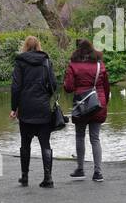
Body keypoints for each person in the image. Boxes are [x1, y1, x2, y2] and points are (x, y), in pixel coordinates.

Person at [10, 35, 58, 188]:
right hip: (43, 108)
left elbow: (16, 87)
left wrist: (14, 108)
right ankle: (48, 178)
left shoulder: (20, 62)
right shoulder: (46, 61)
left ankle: (24, 177)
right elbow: (54, 85)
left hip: (26, 109)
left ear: (25, 46)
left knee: (25, 144)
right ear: (38, 46)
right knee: (45, 144)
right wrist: (46, 96)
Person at [63, 39, 110, 182]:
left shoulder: (73, 65)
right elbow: (106, 87)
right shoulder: (99, 65)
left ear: (78, 50)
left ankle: (80, 169)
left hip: (82, 105)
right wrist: (104, 102)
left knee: (80, 136)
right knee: (95, 138)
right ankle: (98, 173)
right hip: (98, 103)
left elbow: (69, 88)